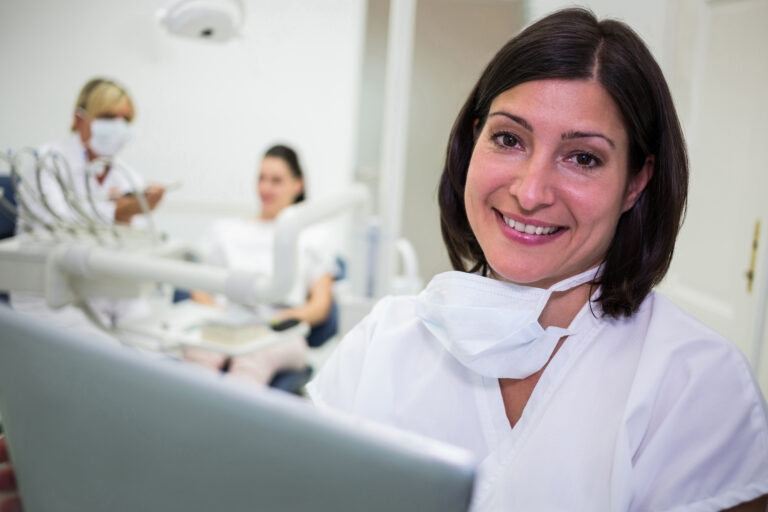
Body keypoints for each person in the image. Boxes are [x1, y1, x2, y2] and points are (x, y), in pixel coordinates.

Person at [307, 8, 768, 512]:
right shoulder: (382, 342)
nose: (530, 193)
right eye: (509, 139)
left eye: (583, 157)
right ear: (474, 140)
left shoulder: (696, 381)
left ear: (636, 182)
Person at [11, 77, 166, 335]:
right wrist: (118, 212)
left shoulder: (127, 176)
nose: (118, 126)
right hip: (52, 297)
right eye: (108, 117)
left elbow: (136, 245)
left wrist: (128, 218)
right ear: (80, 118)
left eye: (125, 119)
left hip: (110, 292)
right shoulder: (43, 164)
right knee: (108, 358)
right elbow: (58, 229)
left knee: (156, 347)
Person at [184, 144, 338, 385]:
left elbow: (320, 307)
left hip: (279, 330)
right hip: (226, 320)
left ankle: (234, 422)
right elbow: (198, 288)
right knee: (199, 353)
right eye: (261, 178)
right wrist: (225, 318)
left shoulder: (313, 236)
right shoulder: (225, 231)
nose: (265, 188)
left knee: (252, 359)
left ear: (298, 185)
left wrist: (274, 320)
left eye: (276, 180)